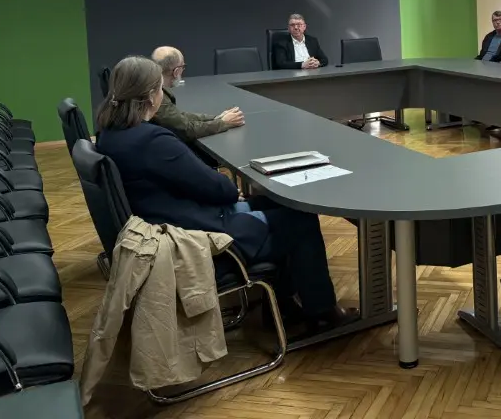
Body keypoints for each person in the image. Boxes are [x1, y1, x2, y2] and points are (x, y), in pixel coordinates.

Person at [95, 56, 356, 336]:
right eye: (161, 88)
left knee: (277, 203)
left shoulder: (110, 135)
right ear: (150, 96)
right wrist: (230, 192)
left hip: (167, 221)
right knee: (301, 221)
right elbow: (221, 189)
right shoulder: (153, 141)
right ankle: (321, 313)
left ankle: (283, 307)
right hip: (199, 235)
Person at [150, 46, 244, 143]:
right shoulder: (157, 96)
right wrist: (223, 123)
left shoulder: (151, 86)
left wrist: (216, 118)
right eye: (183, 67)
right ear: (176, 71)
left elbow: (179, 117)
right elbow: (187, 130)